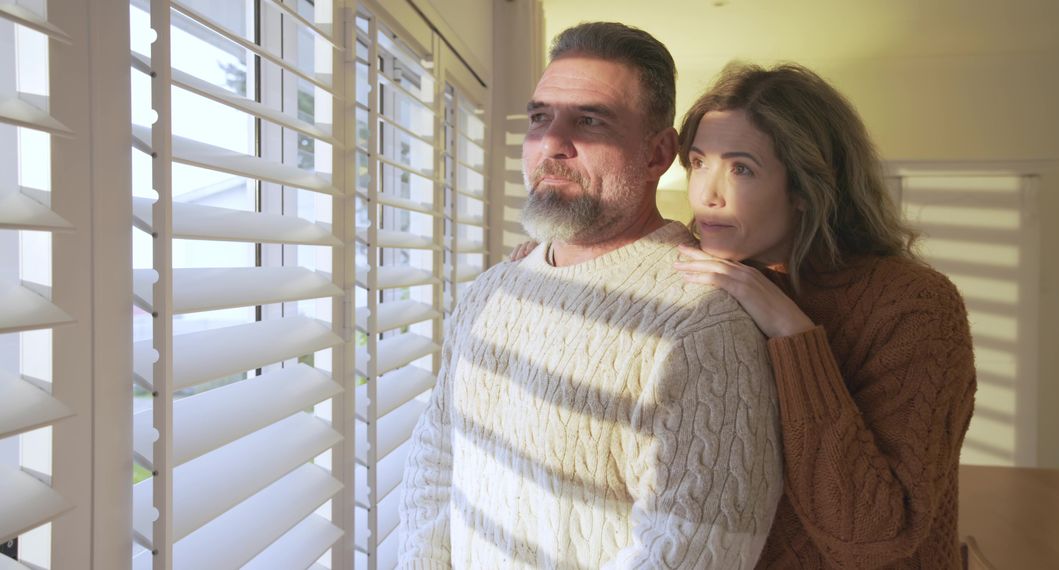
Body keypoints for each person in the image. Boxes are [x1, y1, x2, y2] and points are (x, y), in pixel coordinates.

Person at [397, 23, 783, 569]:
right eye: (539, 118)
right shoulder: (492, 291)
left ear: (657, 154)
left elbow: (691, 555)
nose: (552, 143)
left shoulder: (702, 326)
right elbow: (437, 464)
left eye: (589, 121)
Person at [671, 63, 977, 568]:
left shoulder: (916, 306)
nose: (707, 194)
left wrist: (793, 333)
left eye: (741, 168)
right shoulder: (702, 281)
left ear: (805, 186)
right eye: (698, 163)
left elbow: (870, 534)